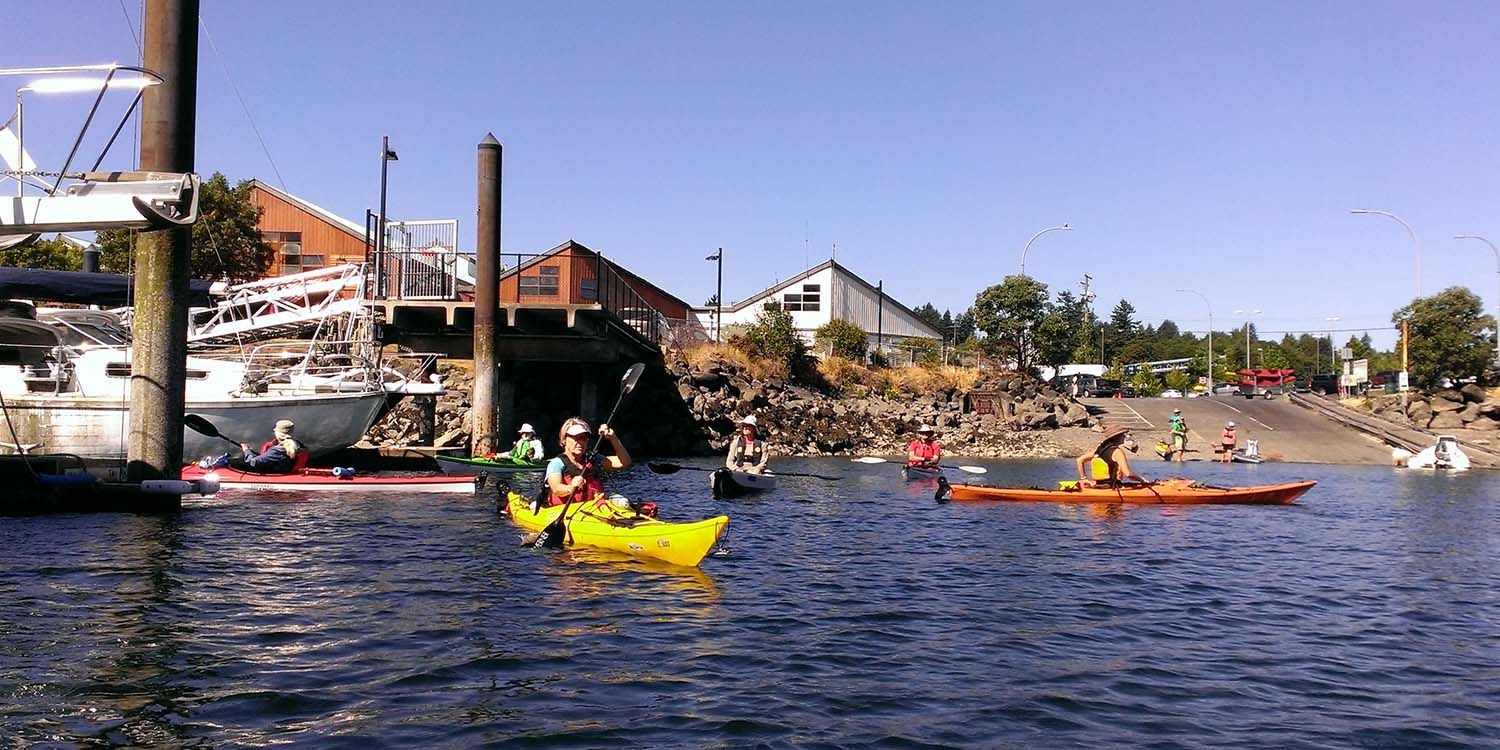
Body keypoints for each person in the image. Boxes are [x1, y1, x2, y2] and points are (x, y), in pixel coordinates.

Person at [543, 417, 632, 507]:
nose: (580, 442)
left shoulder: (594, 459)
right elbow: (556, 488)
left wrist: (613, 438)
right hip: (563, 510)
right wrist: (571, 487)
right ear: (564, 440)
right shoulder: (556, 463)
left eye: (583, 438)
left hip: (592, 509)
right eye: (575, 438)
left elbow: (624, 462)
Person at [1075, 425, 1148, 488]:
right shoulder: (1117, 452)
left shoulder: (1099, 449)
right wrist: (1143, 480)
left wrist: (1083, 478)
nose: (1124, 437)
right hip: (1112, 486)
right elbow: (1128, 474)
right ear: (1117, 437)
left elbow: (1080, 460)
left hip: (1099, 485)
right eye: (1122, 435)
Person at [233, 419, 303, 474]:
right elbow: (268, 457)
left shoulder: (278, 450)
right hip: (287, 471)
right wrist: (251, 452)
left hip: (277, 474)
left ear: (278, 434)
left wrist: (246, 450)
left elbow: (253, 462)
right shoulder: (297, 445)